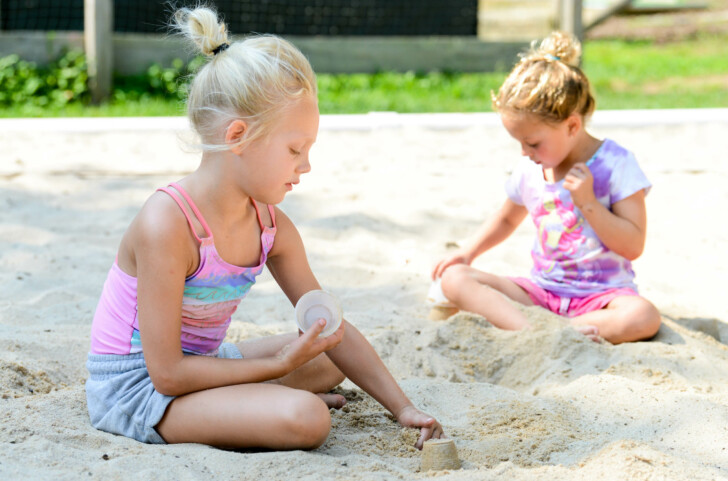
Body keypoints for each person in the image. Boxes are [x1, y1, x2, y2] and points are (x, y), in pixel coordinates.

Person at [85, 5, 444, 450]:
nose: (306, 165)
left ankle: (248, 404)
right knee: (307, 418)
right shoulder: (167, 224)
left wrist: (402, 408)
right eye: (295, 149)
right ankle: (256, 403)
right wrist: (276, 367)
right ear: (238, 136)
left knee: (328, 356)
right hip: (139, 388)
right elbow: (167, 373)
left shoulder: (273, 228)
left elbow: (332, 329)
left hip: (202, 365)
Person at [431, 32, 661, 345]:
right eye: (519, 143)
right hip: (542, 292)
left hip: (602, 297)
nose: (525, 153)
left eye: (533, 143)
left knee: (643, 317)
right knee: (455, 279)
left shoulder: (616, 164)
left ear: (572, 126)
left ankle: (555, 330)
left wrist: (589, 203)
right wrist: (468, 251)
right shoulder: (531, 169)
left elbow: (633, 245)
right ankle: (534, 332)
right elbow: (507, 219)